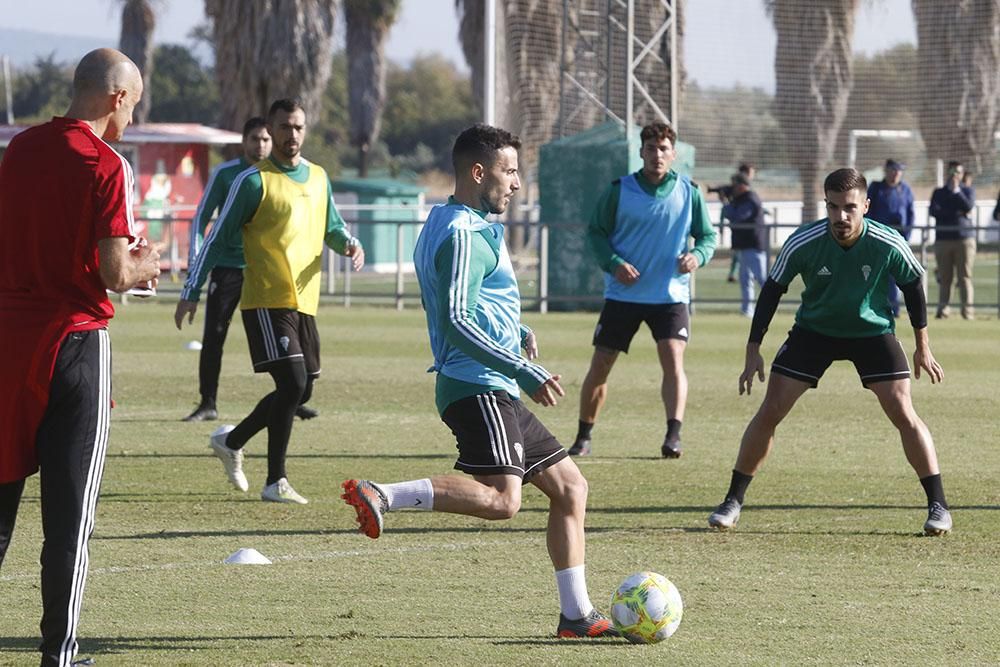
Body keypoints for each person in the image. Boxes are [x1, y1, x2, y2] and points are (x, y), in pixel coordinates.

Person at [340, 124, 618, 639]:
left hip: (490, 381)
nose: (515, 183)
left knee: (570, 489)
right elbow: (456, 318)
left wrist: (517, 330)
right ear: (477, 172)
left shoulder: (452, 220)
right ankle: (382, 493)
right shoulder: (464, 231)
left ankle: (576, 616)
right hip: (478, 384)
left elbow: (475, 305)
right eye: (509, 171)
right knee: (502, 500)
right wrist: (521, 366)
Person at [0, 48, 161, 666]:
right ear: (117, 97)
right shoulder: (106, 163)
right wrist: (147, 262)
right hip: (72, 343)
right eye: (134, 106)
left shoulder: (19, 149)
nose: (132, 121)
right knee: (68, 518)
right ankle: (57, 654)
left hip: (9, 341)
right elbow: (116, 273)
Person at [706, 167, 952, 537]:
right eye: (833, 207)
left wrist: (923, 347)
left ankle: (939, 506)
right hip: (814, 332)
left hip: (872, 332)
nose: (841, 216)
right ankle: (732, 501)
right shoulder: (803, 241)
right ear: (826, 205)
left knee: (903, 411)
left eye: (850, 207)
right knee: (770, 410)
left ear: (866, 205)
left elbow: (913, 284)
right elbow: (772, 291)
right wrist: (753, 349)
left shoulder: (887, 241)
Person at [176, 98, 364, 505]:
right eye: (283, 127)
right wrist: (191, 290)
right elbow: (217, 236)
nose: (290, 135)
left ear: (304, 129)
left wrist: (349, 243)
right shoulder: (252, 181)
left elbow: (332, 227)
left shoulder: (318, 177)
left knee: (304, 389)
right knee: (292, 383)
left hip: (305, 301)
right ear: (271, 130)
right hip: (265, 298)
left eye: (297, 127)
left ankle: (232, 440)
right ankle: (275, 480)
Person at [570, 121, 717, 458]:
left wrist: (698, 255)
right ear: (641, 152)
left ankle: (673, 435)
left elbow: (708, 236)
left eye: (663, 149)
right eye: (651, 148)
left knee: (673, 359)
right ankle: (583, 435)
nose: (657, 155)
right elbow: (595, 233)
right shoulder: (619, 190)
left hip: (669, 296)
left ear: (673, 154)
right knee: (602, 363)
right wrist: (614, 262)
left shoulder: (689, 191)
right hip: (624, 296)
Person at [177, 117, 274, 422]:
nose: (261, 145)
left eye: (266, 139)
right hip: (227, 268)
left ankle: (290, 397)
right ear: (244, 142)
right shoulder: (226, 174)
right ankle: (208, 402)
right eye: (256, 139)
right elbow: (202, 217)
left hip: (264, 269)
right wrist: (196, 262)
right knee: (214, 334)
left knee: (274, 336)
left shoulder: (278, 175)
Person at [866, 159, 915, 317]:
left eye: (898, 171)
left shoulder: (905, 190)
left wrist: (905, 236)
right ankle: (871, 307)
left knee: (895, 276)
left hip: (897, 241)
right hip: (877, 239)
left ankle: (894, 310)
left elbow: (911, 214)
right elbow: (868, 212)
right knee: (874, 275)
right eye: (893, 170)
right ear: (886, 171)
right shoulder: (876, 188)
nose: (896, 174)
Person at [929, 161, 976, 320]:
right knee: (945, 278)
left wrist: (956, 192)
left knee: (965, 277)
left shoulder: (967, 191)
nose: (955, 175)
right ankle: (943, 310)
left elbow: (968, 206)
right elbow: (935, 211)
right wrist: (957, 213)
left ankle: (967, 311)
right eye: (952, 171)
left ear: (962, 175)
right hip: (943, 239)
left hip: (964, 239)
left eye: (958, 172)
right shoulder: (939, 192)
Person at [722, 172, 767, 317]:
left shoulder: (750, 199)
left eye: (735, 185)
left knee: (763, 279)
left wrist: (726, 203)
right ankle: (747, 310)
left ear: (742, 186)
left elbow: (737, 217)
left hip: (753, 246)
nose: (732, 188)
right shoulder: (742, 199)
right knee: (745, 280)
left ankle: (773, 306)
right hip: (745, 246)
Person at [709, 162, 755, 282]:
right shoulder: (738, 190)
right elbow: (731, 211)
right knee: (739, 250)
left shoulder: (747, 193)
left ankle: (736, 273)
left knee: (740, 250)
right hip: (740, 224)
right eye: (751, 172)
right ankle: (735, 273)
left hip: (743, 225)